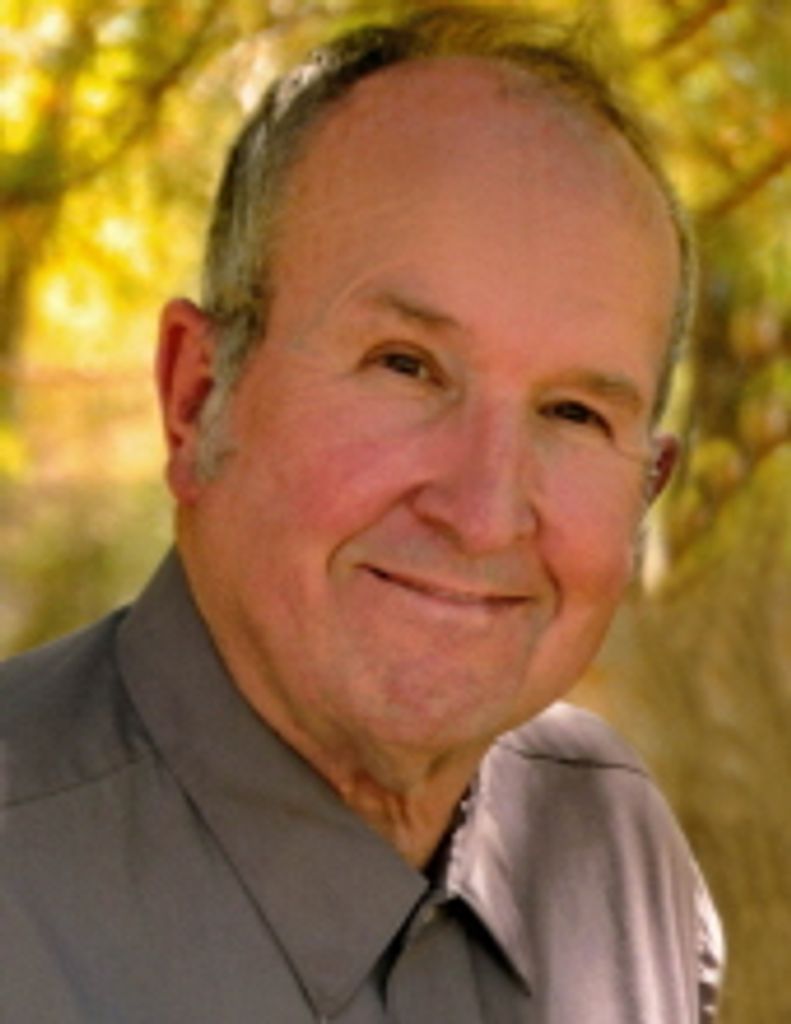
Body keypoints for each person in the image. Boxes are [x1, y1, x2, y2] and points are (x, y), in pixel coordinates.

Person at [0, 5, 723, 1022]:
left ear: (646, 486)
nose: (482, 514)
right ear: (197, 396)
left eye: (573, 412)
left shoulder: (619, 849)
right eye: (404, 365)